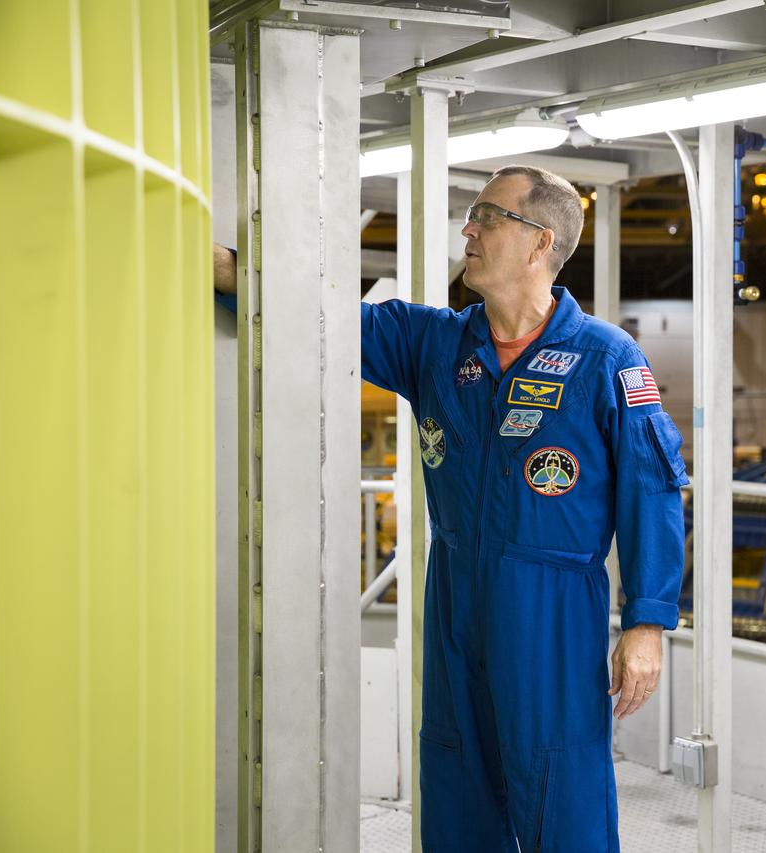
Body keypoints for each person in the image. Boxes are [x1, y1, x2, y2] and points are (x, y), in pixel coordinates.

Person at [214, 165, 687, 852]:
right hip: (455, 598)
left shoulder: (605, 359)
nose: (469, 228)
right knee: (458, 779)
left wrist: (646, 622)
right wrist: (226, 268)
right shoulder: (435, 343)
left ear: (538, 243)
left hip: (551, 608)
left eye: (488, 216)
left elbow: (652, 489)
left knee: (562, 790)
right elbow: (318, 313)